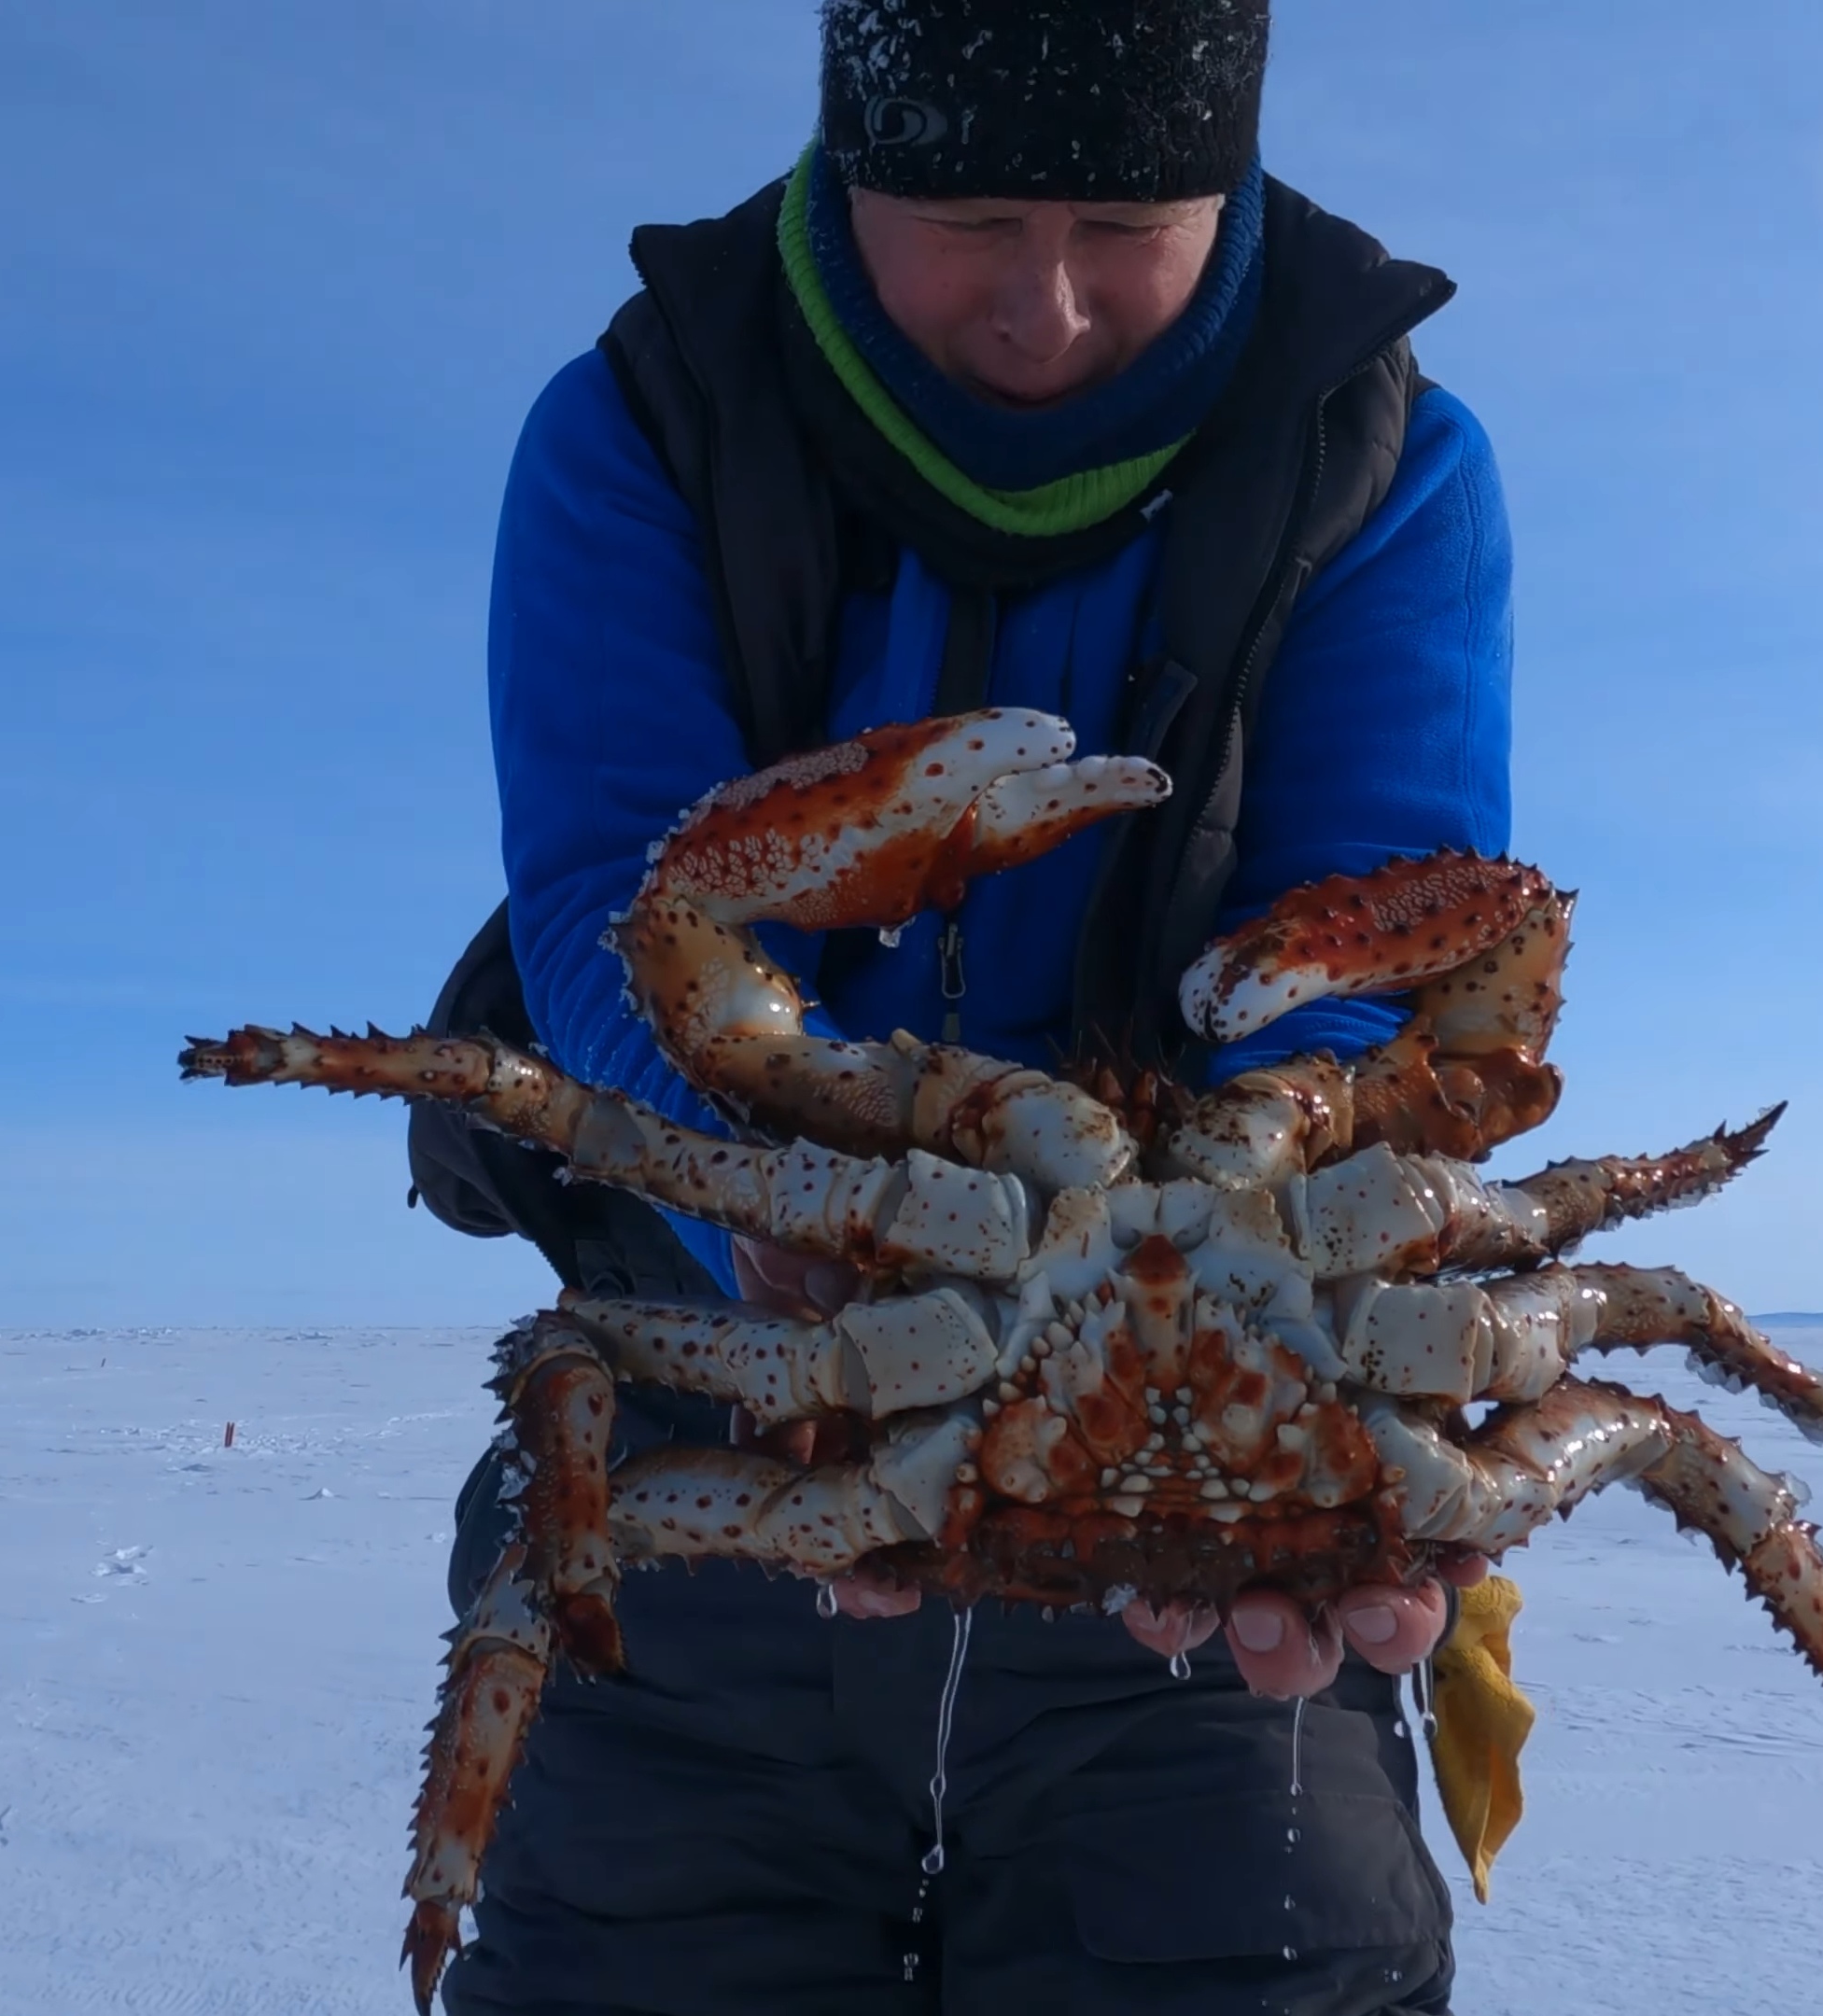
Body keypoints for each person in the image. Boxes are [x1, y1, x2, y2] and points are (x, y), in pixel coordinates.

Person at [451, 3, 1510, 2008]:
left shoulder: (1383, 453)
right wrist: (776, 1206)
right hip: (734, 1411)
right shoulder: (647, 420)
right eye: (972, 214)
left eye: (1127, 223)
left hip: (1198, 1519)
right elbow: (615, 900)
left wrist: (1276, 1271)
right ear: (850, 165)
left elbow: (1398, 946)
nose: (1044, 306)